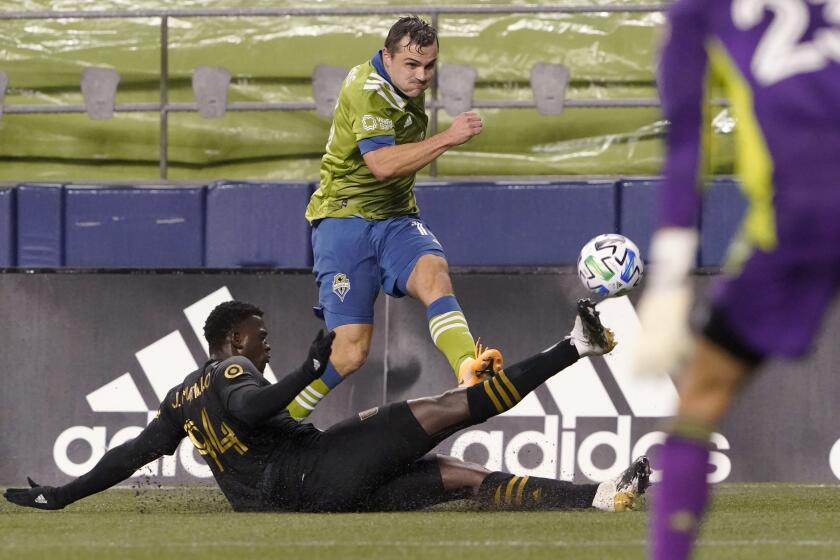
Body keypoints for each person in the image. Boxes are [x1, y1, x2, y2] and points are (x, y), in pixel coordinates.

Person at [5, 299, 650, 513]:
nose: (266, 340)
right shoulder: (231, 368)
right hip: (315, 471)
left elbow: (125, 457)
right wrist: (309, 368)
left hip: (308, 496)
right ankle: (575, 345)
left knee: (460, 477)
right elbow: (254, 406)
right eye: (260, 332)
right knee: (448, 409)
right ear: (234, 339)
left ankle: (594, 498)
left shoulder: (180, 399)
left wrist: (62, 496)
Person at [633, 1, 840, 558]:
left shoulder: (698, 11)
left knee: (701, 393)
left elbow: (686, 151)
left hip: (801, 217)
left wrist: (670, 283)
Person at [289, 15, 494, 420]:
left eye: (430, 66)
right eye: (412, 65)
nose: (422, 76)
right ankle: (281, 419)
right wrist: (449, 137)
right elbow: (381, 165)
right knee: (349, 352)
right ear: (387, 56)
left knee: (434, 272)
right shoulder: (369, 91)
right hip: (344, 218)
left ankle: (468, 370)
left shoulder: (400, 83)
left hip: (396, 216)